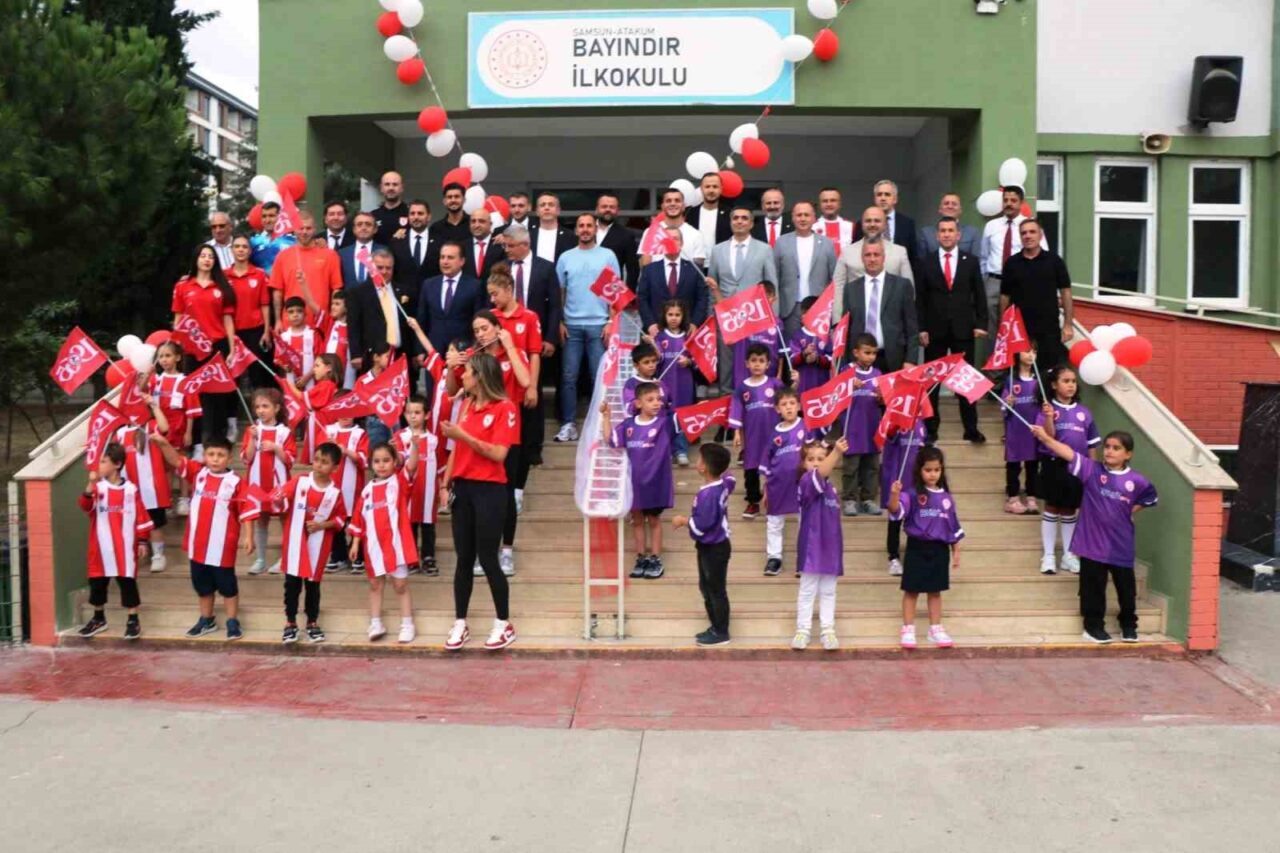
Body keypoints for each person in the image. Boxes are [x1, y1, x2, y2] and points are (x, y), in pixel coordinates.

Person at [1030, 427, 1158, 643]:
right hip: (1092, 544)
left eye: (1116, 448)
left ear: (1128, 454)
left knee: (1126, 589)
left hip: (1121, 544)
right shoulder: (1091, 470)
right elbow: (1067, 452)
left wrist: (1128, 512)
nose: (1109, 451)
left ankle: (1128, 624)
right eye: (1107, 447)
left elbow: (1148, 499)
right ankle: (1093, 627)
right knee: (1093, 588)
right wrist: (1044, 437)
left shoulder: (1137, 481)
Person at [439, 352, 520, 651]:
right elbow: (457, 449)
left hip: (490, 490)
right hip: (464, 488)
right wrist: (446, 483)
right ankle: (460, 621)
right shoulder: (466, 405)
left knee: (487, 558)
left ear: (481, 376)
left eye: (468, 372)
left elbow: (499, 453)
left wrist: (464, 435)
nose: (463, 376)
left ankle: (503, 622)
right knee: (463, 558)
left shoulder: (505, 408)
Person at [152, 433, 257, 642]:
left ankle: (232, 621)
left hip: (222, 546)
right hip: (197, 544)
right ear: (205, 456)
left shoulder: (236, 482)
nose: (215, 459)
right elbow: (175, 460)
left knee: (228, 586)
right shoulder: (198, 473)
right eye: (211, 454)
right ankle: (206, 619)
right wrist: (164, 443)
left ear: (229, 458)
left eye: (220, 455)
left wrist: (249, 537)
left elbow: (247, 510)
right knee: (203, 586)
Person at [914, 216, 989, 444]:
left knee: (966, 381)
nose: (946, 234)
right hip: (934, 330)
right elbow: (920, 298)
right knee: (931, 383)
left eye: (950, 230)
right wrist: (922, 328)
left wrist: (981, 324)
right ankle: (931, 428)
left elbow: (979, 294)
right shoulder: (925, 261)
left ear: (958, 235)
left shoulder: (970, 261)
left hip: (963, 329)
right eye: (943, 231)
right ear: (937, 236)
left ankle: (971, 428)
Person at [553, 213, 622, 443]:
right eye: (581, 226)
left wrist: (612, 322)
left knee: (599, 378)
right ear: (576, 231)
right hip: (571, 326)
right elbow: (560, 293)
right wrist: (560, 321)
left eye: (589, 226)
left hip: (599, 325)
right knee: (568, 377)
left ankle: (597, 425)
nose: (584, 229)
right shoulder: (565, 257)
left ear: (595, 229)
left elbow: (615, 292)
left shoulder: (607, 255)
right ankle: (568, 424)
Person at [888, 446, 963, 649]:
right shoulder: (911, 494)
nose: (932, 474)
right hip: (917, 547)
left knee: (935, 591)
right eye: (928, 470)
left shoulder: (946, 497)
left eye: (937, 470)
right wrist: (894, 495)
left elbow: (953, 525)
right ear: (919, 470)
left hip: (939, 549)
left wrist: (956, 549)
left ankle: (935, 628)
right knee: (911, 590)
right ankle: (908, 628)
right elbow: (896, 511)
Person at [75, 443, 152, 639]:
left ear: (117, 464)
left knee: (127, 582)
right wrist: (89, 485)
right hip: (100, 547)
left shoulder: (131, 490)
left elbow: (141, 515)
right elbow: (85, 506)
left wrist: (143, 540)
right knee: (98, 583)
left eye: (103, 461)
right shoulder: (98, 488)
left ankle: (133, 619)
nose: (98, 465)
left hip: (124, 547)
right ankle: (98, 617)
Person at [273, 441, 347, 644]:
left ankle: (312, 621)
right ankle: (290, 622)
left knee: (313, 586)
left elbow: (341, 520)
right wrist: (273, 499)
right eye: (316, 460)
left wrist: (323, 525)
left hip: (318, 546)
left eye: (324, 462)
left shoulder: (335, 493)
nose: (319, 465)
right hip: (295, 545)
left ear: (335, 467)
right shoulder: (300, 481)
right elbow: (279, 497)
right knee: (291, 585)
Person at [498, 224, 559, 466]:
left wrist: (550, 337)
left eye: (511, 246)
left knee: (532, 392)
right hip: (505, 339)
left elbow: (554, 305)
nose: (507, 250)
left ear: (525, 245)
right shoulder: (503, 268)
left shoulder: (545, 267)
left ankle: (533, 447)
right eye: (505, 246)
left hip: (533, 338)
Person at [347, 441, 420, 643]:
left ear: (395, 461)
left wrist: (415, 445)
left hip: (396, 546)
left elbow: (412, 465)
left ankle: (407, 624)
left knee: (401, 585)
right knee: (375, 584)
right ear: (370, 463)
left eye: (386, 460)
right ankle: (376, 622)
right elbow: (359, 519)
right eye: (377, 461)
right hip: (373, 547)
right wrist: (355, 543)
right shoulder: (367, 490)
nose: (381, 465)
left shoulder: (399, 482)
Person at [603, 383, 677, 580]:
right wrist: (606, 417)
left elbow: (683, 418)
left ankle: (655, 559)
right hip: (634, 484)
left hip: (655, 483)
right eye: (650, 400)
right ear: (638, 403)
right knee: (636, 521)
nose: (656, 403)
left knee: (653, 520)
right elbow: (611, 440)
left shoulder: (664, 424)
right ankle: (640, 557)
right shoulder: (628, 425)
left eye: (658, 400)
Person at [1034, 364, 1100, 575]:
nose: (1071, 385)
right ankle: (1049, 556)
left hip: (1078, 468)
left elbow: (1092, 444)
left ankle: (1069, 555)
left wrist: (1092, 471)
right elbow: (1049, 437)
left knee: (1071, 510)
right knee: (1052, 508)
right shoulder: (1046, 410)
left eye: (1073, 381)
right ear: (1054, 385)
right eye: (1066, 381)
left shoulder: (1084, 413)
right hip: (1054, 465)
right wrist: (1049, 417)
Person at [489, 263, 543, 518]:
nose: (492, 299)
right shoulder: (490, 318)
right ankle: (501, 487)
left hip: (520, 391)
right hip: (497, 393)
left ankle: (518, 490)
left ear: (508, 290)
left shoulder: (529, 317)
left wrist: (532, 386)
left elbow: (534, 354)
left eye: (495, 294)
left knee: (521, 444)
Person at [171, 244, 238, 445]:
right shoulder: (183, 286)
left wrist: (232, 348)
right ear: (196, 259)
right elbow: (179, 319)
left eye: (211, 256)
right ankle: (197, 442)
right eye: (203, 256)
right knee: (193, 395)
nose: (207, 259)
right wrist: (178, 346)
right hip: (191, 348)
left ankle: (217, 440)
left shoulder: (222, 288)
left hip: (217, 346)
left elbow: (228, 320)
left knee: (217, 395)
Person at [671, 443, 735, 647]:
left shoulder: (708, 495)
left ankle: (721, 631)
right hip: (715, 546)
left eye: (699, 459)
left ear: (703, 468)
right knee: (708, 587)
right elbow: (731, 478)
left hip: (713, 548)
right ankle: (716, 626)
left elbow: (701, 526)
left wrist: (683, 521)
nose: (696, 462)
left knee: (714, 589)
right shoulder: (724, 484)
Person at [791, 437, 849, 651]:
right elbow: (818, 474)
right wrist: (836, 453)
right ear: (803, 463)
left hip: (831, 547)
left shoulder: (832, 489)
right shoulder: (806, 482)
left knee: (828, 591)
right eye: (811, 459)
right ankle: (803, 630)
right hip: (811, 547)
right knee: (807, 590)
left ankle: (828, 630)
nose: (816, 462)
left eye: (821, 458)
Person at [999, 218, 1073, 375]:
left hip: (1048, 327)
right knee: (1018, 372)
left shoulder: (1054, 261)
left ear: (1040, 235)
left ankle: (1044, 400)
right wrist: (1003, 326)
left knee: (1048, 371)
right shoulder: (1012, 263)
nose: (1027, 236)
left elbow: (1066, 292)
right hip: (1019, 328)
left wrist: (1068, 324)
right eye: (1023, 233)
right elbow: (1005, 296)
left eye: (1032, 232)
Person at [114, 390, 172, 572]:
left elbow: (164, 427)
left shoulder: (148, 427)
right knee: (131, 523)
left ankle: (158, 554)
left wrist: (154, 404)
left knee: (155, 523)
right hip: (129, 488)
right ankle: (136, 554)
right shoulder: (121, 432)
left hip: (151, 489)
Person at [840, 238, 919, 372]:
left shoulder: (902, 285)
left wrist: (910, 360)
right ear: (862, 258)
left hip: (894, 359)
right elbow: (846, 330)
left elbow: (911, 328)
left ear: (884, 257)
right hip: (859, 362)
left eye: (876, 255)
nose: (872, 259)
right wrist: (846, 364)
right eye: (868, 255)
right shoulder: (851, 289)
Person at [242, 387, 295, 575]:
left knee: (283, 519)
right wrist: (252, 440)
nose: (261, 410)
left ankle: (285, 558)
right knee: (261, 520)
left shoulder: (284, 432)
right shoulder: (253, 430)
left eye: (265, 406)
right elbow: (247, 459)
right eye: (257, 407)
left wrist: (275, 448)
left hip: (278, 485)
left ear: (277, 408)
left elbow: (290, 460)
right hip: (257, 485)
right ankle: (261, 559)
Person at [981, 185, 1045, 339]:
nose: (1009, 203)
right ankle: (994, 361)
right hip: (994, 281)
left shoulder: (1029, 227)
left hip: (1021, 281)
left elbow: (1041, 255)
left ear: (1021, 203)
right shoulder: (991, 226)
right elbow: (983, 256)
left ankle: (1019, 362)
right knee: (992, 327)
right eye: (1006, 200)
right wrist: (985, 281)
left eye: (1013, 200)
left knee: (1019, 323)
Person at [730, 343, 784, 520]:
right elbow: (737, 409)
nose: (757, 364)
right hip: (752, 436)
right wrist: (737, 432)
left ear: (768, 364)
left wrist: (796, 382)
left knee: (774, 468)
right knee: (751, 468)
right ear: (746, 363)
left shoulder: (775, 383)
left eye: (761, 361)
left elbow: (788, 400)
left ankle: (775, 497)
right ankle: (753, 501)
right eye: (753, 360)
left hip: (773, 435)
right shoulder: (742, 387)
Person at [834, 207, 915, 321]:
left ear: (885, 225)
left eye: (877, 221)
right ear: (861, 224)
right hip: (857, 320)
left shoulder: (900, 251)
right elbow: (838, 288)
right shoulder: (847, 252)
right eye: (868, 221)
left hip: (891, 322)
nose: (872, 224)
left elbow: (909, 290)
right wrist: (837, 323)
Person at [773, 200, 837, 341]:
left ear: (814, 218)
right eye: (799, 215)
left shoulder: (827, 243)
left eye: (806, 215)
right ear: (793, 218)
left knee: (818, 350)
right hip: (790, 307)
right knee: (791, 350)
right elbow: (775, 276)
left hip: (818, 306)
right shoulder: (781, 242)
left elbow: (834, 278)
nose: (802, 219)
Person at [268, 210, 342, 328]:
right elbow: (277, 292)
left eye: (308, 228)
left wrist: (334, 315)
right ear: (294, 229)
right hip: (290, 323)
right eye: (300, 228)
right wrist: (277, 320)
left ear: (314, 229)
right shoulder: (282, 256)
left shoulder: (330, 255)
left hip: (321, 322)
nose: (304, 232)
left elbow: (336, 289)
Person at [760, 388, 806, 577]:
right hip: (777, 484)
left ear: (799, 406)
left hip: (802, 483)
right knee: (774, 522)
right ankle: (774, 558)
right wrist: (766, 489)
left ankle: (804, 558)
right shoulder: (774, 434)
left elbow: (816, 454)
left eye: (792, 403)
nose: (788, 408)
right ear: (777, 409)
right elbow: (766, 461)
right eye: (784, 404)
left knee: (805, 520)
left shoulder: (806, 427)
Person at [151, 341, 199, 517]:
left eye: (168, 355)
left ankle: (184, 499)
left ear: (177, 358)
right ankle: (167, 500)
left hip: (179, 428)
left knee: (181, 464)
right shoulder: (156, 380)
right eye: (161, 356)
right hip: (160, 429)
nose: (164, 360)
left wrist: (188, 432)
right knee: (165, 468)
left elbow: (191, 411)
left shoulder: (185, 381)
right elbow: (141, 392)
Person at [394, 395, 441, 575]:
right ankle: (411, 557)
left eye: (417, 412)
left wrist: (443, 487)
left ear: (427, 415)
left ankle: (428, 558)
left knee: (428, 524)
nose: (413, 416)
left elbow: (440, 465)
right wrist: (394, 452)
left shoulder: (434, 439)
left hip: (428, 490)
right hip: (408, 490)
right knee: (409, 523)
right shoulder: (400, 436)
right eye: (409, 413)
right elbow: (398, 461)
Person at [415, 242, 484, 357]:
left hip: (462, 352)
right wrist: (420, 350)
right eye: (442, 257)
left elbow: (478, 320)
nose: (445, 261)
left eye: (450, 258)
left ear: (462, 261)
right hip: (433, 351)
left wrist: (474, 348)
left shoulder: (475, 286)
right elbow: (422, 320)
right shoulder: (429, 284)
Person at [842, 334, 884, 516]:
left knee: (872, 466)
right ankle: (850, 499)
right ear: (856, 352)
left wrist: (882, 397)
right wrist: (850, 386)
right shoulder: (846, 371)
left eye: (874, 353)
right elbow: (837, 394)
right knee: (851, 467)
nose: (870, 357)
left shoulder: (878, 374)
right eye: (867, 352)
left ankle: (868, 498)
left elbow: (883, 400)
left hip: (872, 428)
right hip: (852, 428)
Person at [225, 234, 273, 390]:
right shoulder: (223, 275)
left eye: (244, 247)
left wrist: (266, 331)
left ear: (250, 251)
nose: (241, 250)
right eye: (237, 246)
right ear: (231, 250)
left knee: (258, 373)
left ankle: (262, 411)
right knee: (232, 373)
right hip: (232, 332)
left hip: (255, 330)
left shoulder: (259, 274)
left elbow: (265, 304)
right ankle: (232, 413)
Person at [637, 227, 708, 333]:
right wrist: (650, 324)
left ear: (682, 243)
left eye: (675, 239)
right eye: (668, 239)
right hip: (657, 330)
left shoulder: (695, 269)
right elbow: (642, 299)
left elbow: (702, 298)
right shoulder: (649, 270)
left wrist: (695, 323)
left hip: (687, 330)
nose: (671, 242)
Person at [324, 411, 369, 575]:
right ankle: (338, 555)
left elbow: (364, 460)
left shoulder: (360, 433)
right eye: (341, 411)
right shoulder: (328, 430)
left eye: (350, 412)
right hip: (331, 486)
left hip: (353, 486)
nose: (345, 415)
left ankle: (358, 555)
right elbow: (320, 455)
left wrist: (346, 451)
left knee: (355, 521)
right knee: (335, 523)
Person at [346, 248, 404, 375]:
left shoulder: (402, 290)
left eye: (388, 268)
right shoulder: (357, 292)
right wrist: (355, 353)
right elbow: (353, 325)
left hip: (399, 355)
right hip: (371, 356)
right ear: (371, 267)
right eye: (380, 267)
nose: (384, 271)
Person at [882, 419, 927, 577]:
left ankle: (913, 557)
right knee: (895, 520)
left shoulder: (921, 425)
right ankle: (893, 558)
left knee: (916, 521)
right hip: (899, 482)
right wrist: (895, 426)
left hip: (916, 484)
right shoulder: (896, 422)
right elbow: (888, 435)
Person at [1002, 347, 1042, 515]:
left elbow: (1044, 404)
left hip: (1034, 430)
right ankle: (1013, 497)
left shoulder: (1039, 381)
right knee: (1013, 464)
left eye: (1034, 351)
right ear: (1017, 354)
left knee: (1032, 464)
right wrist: (1007, 403)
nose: (1031, 354)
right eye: (1026, 351)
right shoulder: (1011, 380)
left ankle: (1031, 495)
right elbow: (1003, 408)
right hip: (1016, 430)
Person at [654, 299, 694, 466]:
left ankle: (681, 450)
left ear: (683, 316)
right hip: (666, 384)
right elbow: (656, 359)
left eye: (677, 314)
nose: (674, 318)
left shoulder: (689, 337)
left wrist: (689, 362)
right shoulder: (660, 336)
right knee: (666, 416)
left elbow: (697, 358)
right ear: (664, 316)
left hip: (684, 383)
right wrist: (652, 346)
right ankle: (667, 450)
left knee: (683, 415)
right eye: (670, 314)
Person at [638, 187, 707, 267]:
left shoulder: (696, 235)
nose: (673, 203)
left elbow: (698, 268)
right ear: (662, 206)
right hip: (657, 279)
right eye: (668, 201)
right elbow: (644, 265)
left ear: (684, 206)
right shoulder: (650, 231)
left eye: (677, 200)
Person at [856, 179, 918, 261]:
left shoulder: (907, 224)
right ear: (874, 199)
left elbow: (913, 255)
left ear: (895, 199)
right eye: (879, 194)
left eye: (887, 194)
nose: (883, 198)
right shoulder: (862, 224)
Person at [300, 353, 341, 466]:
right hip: (319, 424)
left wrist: (286, 385)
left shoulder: (327, 385)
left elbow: (303, 398)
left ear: (328, 368)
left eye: (317, 366)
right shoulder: (325, 384)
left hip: (320, 426)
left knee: (318, 458)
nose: (314, 370)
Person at [788, 296, 832, 395]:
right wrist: (804, 354)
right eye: (803, 313)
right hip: (802, 386)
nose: (805, 316)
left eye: (810, 314)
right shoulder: (797, 335)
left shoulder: (825, 336)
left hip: (821, 386)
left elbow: (832, 361)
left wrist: (817, 359)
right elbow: (792, 360)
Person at [391, 199, 440, 288]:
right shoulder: (397, 242)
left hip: (431, 296)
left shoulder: (440, 242)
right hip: (404, 297)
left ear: (428, 217)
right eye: (412, 213)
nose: (416, 217)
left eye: (420, 213)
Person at [595, 192, 640, 287]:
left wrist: (628, 299)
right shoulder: (585, 230)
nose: (608, 209)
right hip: (583, 288)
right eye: (604, 206)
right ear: (597, 209)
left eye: (612, 207)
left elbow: (632, 270)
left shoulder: (626, 235)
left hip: (611, 292)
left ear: (617, 210)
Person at [276, 296, 319, 393]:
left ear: (305, 314)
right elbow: (278, 359)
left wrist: (307, 376)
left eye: (299, 311)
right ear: (286, 316)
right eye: (291, 312)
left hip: (311, 381)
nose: (295, 315)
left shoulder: (313, 335)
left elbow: (320, 359)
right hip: (291, 382)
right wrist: (284, 366)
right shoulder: (283, 337)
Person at [917, 192, 979, 257]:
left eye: (954, 204)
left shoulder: (972, 233)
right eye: (946, 203)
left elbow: (976, 261)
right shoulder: (926, 233)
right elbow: (922, 262)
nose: (950, 206)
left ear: (960, 210)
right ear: (940, 209)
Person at [337, 211, 385, 288]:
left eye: (368, 224)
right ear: (354, 229)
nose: (363, 228)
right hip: (350, 298)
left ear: (375, 229)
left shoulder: (385, 251)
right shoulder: (342, 254)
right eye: (359, 224)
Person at [250, 201, 297, 276]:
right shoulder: (253, 242)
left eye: (271, 216)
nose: (267, 220)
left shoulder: (292, 240)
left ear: (279, 217)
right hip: (262, 286)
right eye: (264, 216)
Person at [687, 171, 731, 250]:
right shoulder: (690, 214)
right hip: (695, 261)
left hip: (721, 261)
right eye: (707, 186)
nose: (711, 190)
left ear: (721, 189)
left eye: (715, 186)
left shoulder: (730, 214)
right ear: (701, 189)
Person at [321, 290, 354, 390]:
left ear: (346, 307)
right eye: (332, 304)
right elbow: (315, 308)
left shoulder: (353, 328)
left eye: (337, 304)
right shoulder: (330, 323)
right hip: (327, 376)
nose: (333, 307)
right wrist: (303, 284)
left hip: (346, 377)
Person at [465, 207, 506, 281]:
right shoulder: (462, 247)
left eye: (481, 221)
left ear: (490, 224)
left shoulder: (501, 246)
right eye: (473, 221)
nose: (477, 225)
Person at [531, 192, 574, 262]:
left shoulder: (570, 236)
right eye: (542, 205)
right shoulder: (528, 236)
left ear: (558, 210)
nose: (546, 208)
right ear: (537, 211)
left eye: (551, 205)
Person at [372, 171, 409, 246]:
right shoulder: (373, 216)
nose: (391, 188)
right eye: (387, 184)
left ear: (402, 188)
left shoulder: (411, 214)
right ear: (381, 188)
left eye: (395, 184)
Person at [816, 187, 854, 257]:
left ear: (839, 204)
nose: (829, 204)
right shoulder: (812, 228)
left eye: (833, 200)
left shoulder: (851, 227)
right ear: (820, 204)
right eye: (825, 201)